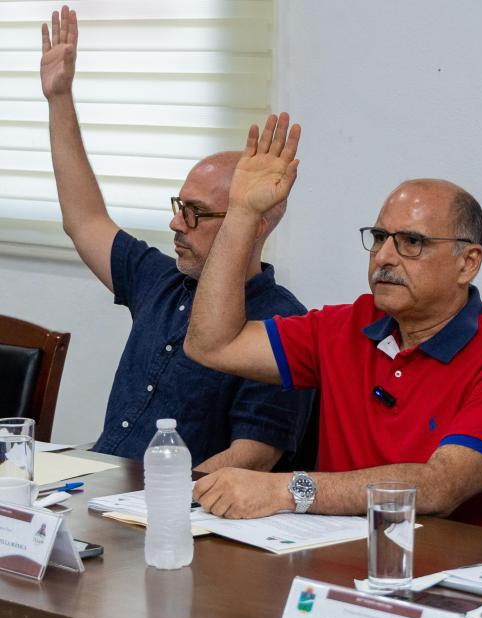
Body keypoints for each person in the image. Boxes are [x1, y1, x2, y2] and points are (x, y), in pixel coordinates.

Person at [184, 115, 482, 533]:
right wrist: (243, 214)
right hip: (340, 550)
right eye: (378, 238)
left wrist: (287, 489)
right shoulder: (349, 324)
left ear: (468, 263)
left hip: (470, 564)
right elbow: (211, 344)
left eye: (411, 242)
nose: (384, 257)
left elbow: (440, 487)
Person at [40, 6, 313, 471]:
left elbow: (250, 460)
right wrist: (59, 97)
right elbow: (84, 221)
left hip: (176, 504)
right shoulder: (160, 279)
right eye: (178, 205)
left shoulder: (280, 323)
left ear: (253, 223)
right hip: (102, 481)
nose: (176, 224)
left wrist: (160, 499)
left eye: (195, 213)